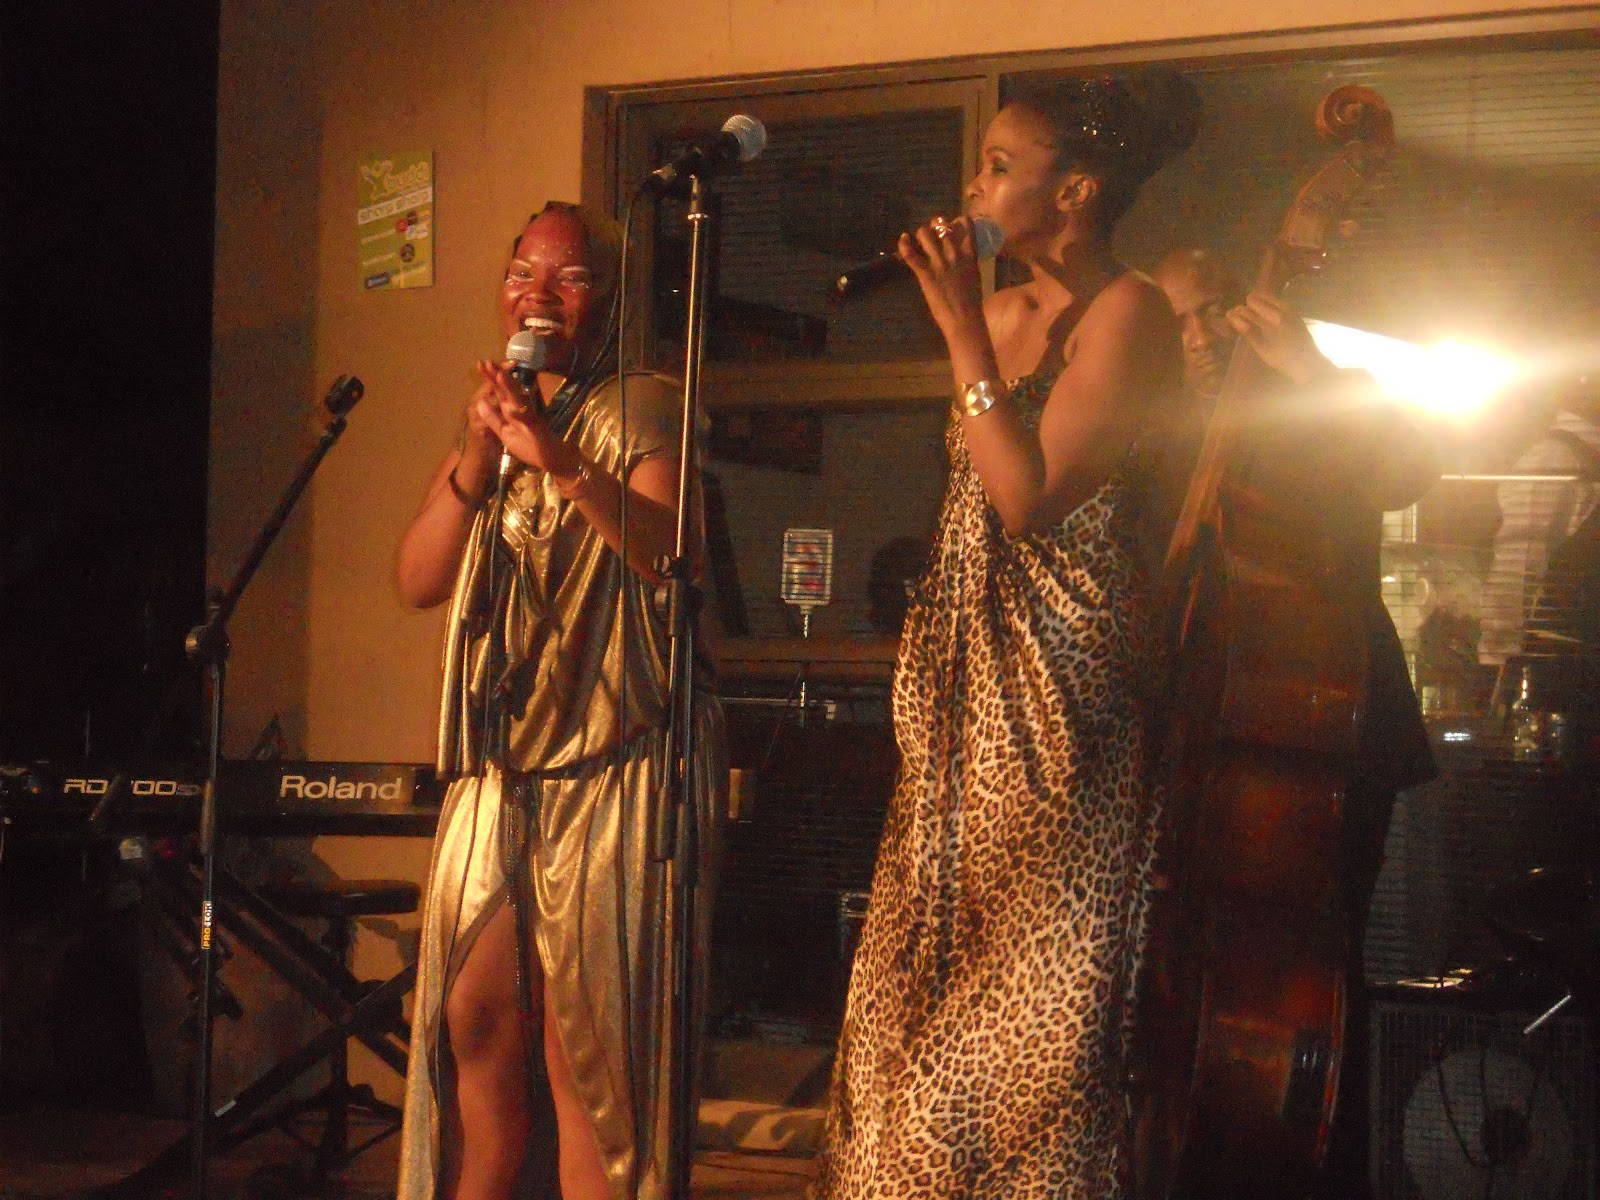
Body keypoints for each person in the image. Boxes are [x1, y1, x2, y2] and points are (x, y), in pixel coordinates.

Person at [816, 73, 1196, 1199]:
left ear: (1074, 191)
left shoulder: (1130, 314)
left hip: (1058, 686)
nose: (971, 187)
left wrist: (955, 330)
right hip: (958, 683)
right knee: (909, 989)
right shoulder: (997, 314)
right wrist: (968, 327)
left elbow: (1028, 498)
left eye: (997, 166)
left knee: (1024, 1014)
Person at [394, 201, 723, 1200]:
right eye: (521, 272)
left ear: (611, 300)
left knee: (590, 1059)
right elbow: (417, 579)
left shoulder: (644, 407)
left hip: (612, 764)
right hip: (501, 766)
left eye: (569, 277)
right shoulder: (494, 420)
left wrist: (562, 461)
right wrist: (477, 457)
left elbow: (671, 553)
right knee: (473, 1023)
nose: (538, 294)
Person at [1152, 246, 1440, 1199]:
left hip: (1321, 733)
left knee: (1311, 965)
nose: (1198, 337)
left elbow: (1409, 466)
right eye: (1176, 322)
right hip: (1210, 743)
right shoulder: (1161, 432)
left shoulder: (1313, 404)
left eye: (1212, 311)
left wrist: (1313, 373)